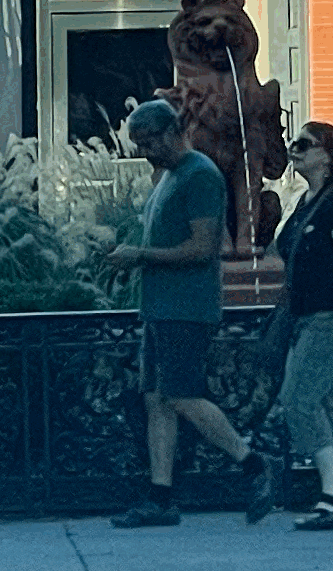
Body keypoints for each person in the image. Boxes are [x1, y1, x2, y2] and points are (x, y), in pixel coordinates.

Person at [104, 95, 274, 528]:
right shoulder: (168, 177)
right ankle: (161, 496)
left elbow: (201, 249)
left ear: (172, 132)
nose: (143, 151)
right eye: (137, 143)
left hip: (187, 307)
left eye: (148, 141)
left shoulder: (200, 176)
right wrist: (136, 262)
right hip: (161, 305)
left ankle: (252, 462)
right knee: (157, 398)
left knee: (181, 394)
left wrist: (140, 256)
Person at [271, 120, 333, 529]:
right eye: (293, 143)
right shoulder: (306, 201)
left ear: (327, 154)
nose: (294, 150)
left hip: (330, 316)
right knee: (326, 402)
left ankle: (332, 489)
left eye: (304, 145)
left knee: (298, 398)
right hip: (307, 315)